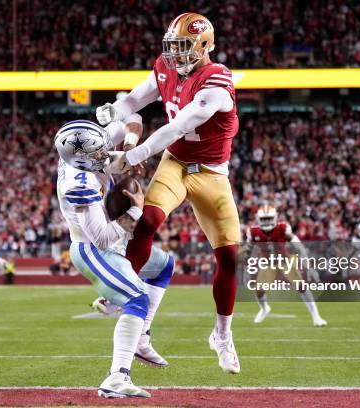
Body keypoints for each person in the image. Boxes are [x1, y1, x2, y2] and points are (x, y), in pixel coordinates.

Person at [96, 12, 241, 374]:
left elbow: (176, 127)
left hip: (210, 173)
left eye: (184, 47)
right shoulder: (165, 67)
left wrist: (132, 155)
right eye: (172, 46)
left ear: (204, 45)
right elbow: (132, 101)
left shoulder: (216, 82)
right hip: (175, 165)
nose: (176, 54)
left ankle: (222, 335)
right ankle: (122, 288)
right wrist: (114, 114)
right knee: (148, 221)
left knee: (229, 258)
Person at [55, 118, 174, 398]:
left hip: (113, 243)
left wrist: (129, 149)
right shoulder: (78, 184)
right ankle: (116, 378)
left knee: (164, 266)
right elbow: (103, 238)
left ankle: (141, 339)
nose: (103, 155)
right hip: (94, 251)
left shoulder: (85, 146)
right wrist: (135, 211)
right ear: (82, 159)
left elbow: (130, 120)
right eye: (97, 154)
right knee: (137, 299)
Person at [246, 205, 327, 326]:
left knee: (302, 286)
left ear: (275, 218)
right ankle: (264, 309)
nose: (267, 221)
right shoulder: (253, 231)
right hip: (268, 262)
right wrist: (249, 265)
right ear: (258, 219)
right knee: (259, 291)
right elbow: (249, 250)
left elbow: (299, 246)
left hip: (285, 260)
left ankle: (316, 317)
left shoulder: (283, 228)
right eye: (264, 219)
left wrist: (308, 265)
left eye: (269, 218)